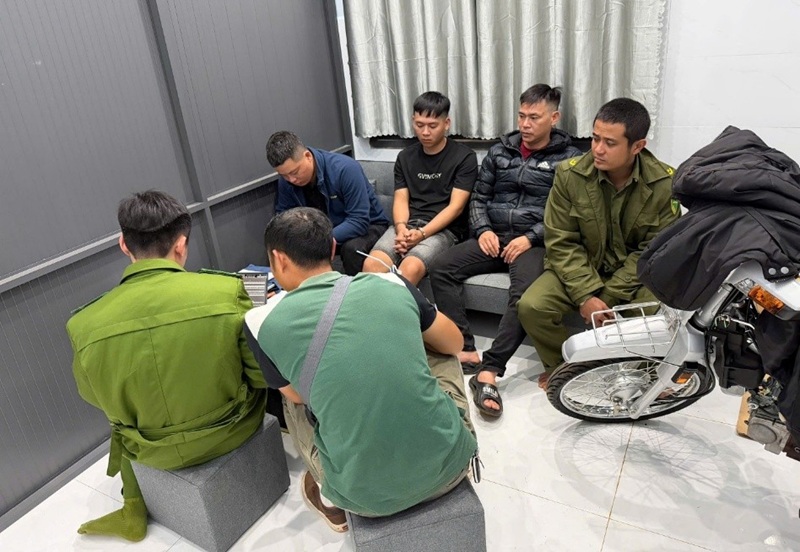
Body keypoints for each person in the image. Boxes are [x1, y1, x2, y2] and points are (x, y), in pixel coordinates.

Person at [246, 207, 477, 531]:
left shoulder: (258, 321)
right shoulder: (393, 283)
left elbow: (298, 397)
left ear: (278, 259)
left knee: (291, 395)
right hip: (451, 467)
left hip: (363, 501)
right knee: (437, 347)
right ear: (332, 248)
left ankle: (330, 497)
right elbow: (455, 344)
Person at [66, 191, 267, 542]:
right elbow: (259, 375)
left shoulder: (82, 324)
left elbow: (93, 395)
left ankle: (133, 506)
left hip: (149, 450)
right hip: (230, 431)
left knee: (122, 422)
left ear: (123, 245)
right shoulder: (229, 291)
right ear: (181, 244)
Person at [429, 84, 581, 418]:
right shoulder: (500, 151)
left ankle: (490, 369)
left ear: (554, 118)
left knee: (524, 293)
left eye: (534, 117)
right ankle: (465, 349)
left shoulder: (570, 160)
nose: (525, 124)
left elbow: (567, 213)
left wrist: (530, 238)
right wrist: (483, 229)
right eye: (521, 115)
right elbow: (478, 198)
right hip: (493, 236)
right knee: (440, 268)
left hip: (532, 242)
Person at [517, 98, 680, 387]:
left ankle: (636, 372)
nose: (598, 149)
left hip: (635, 274)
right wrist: (585, 294)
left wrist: (607, 298)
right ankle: (564, 367)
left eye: (610, 143)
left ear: (637, 146)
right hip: (582, 266)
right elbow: (561, 241)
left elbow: (653, 251)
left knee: (655, 312)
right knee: (532, 306)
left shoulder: (664, 184)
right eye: (595, 138)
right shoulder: (570, 174)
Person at [362, 91, 478, 284]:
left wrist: (422, 234)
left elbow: (456, 207)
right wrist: (401, 229)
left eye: (432, 126)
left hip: (444, 230)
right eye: (419, 125)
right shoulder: (405, 157)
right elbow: (401, 199)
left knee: (409, 269)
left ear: (446, 123)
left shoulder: (464, 157)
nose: (425, 132)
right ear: (413, 121)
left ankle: (402, 305)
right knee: (371, 266)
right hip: (407, 225)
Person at [268, 130, 390, 275]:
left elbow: (359, 220)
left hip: (369, 226)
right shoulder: (286, 181)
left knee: (352, 249)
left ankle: (354, 288)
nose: (291, 179)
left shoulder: (345, 169)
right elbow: (284, 219)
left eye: (295, 172)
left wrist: (319, 240)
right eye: (284, 175)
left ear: (307, 156)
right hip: (321, 234)